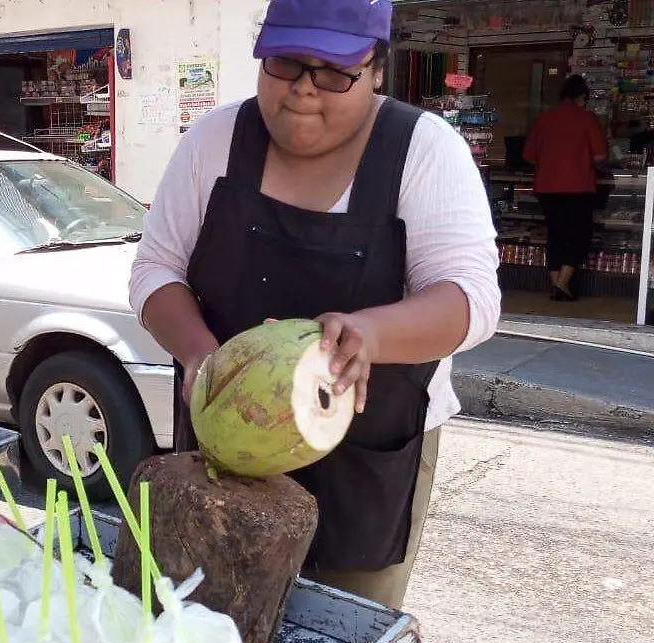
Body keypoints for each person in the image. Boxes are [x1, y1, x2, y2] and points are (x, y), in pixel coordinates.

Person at [129, 0, 501, 609]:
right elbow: (155, 270)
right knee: (204, 621)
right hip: (227, 435)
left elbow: (473, 300)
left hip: (364, 462)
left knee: (336, 628)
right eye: (285, 64)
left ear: (378, 68)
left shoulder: (424, 150)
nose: (303, 90)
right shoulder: (215, 141)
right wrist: (200, 354)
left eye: (332, 71)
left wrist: (371, 336)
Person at [523, 74, 607, 301]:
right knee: (578, 236)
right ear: (582, 96)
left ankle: (556, 285)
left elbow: (529, 156)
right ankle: (562, 284)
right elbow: (599, 155)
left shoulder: (544, 119)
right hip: (578, 187)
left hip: (547, 187)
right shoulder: (587, 118)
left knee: (556, 235)